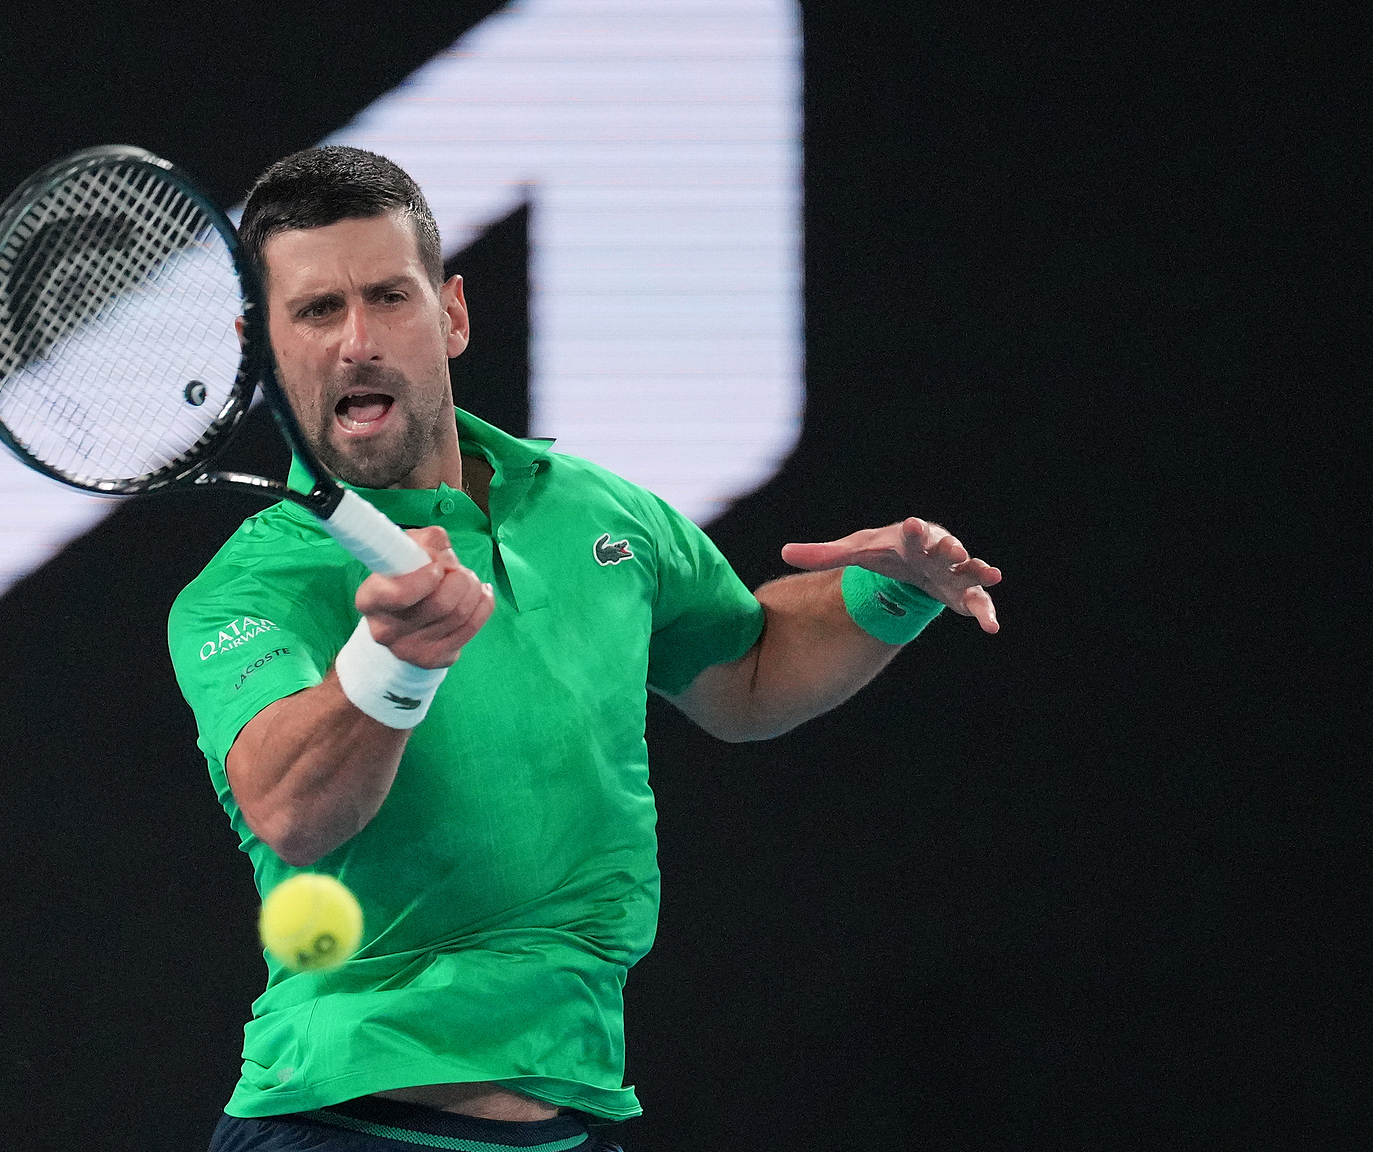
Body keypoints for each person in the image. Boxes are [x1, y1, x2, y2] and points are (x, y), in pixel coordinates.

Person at [169, 147, 1001, 1152]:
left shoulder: (602, 517)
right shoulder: (251, 586)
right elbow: (291, 809)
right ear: (256, 348)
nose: (357, 341)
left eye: (388, 296)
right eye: (313, 311)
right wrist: (391, 661)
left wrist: (887, 593)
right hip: (342, 1125)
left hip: (573, 1114)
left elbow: (744, 672)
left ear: (453, 314)